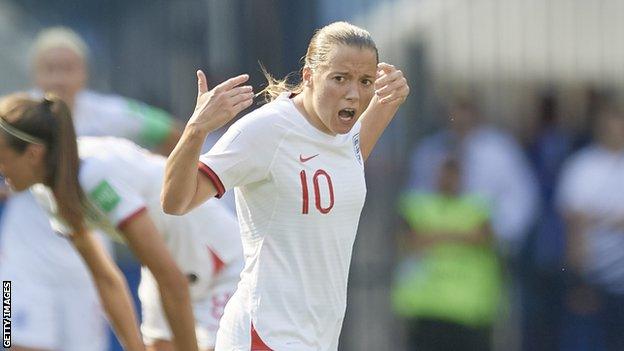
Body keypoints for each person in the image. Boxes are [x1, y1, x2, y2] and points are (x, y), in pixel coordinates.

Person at [161, 21, 409, 350]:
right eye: (340, 78)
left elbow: (347, 157)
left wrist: (390, 98)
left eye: (365, 81)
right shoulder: (267, 130)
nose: (354, 93)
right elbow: (175, 201)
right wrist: (196, 130)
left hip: (318, 338)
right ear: (308, 76)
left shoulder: (345, 135)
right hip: (265, 334)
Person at [0, 93, 244, 351]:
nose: (1, 169)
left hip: (220, 266)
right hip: (167, 273)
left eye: (2, 158)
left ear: (33, 154)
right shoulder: (48, 191)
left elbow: (171, 279)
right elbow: (106, 279)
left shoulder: (96, 174)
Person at [0, 27, 181, 350]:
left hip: (84, 265)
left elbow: (174, 134)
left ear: (83, 73)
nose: (58, 79)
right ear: (34, 73)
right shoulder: (16, 117)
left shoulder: (109, 115)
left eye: (67, 69)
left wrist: (146, 184)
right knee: (15, 342)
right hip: (21, 263)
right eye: (49, 69)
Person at [392, 156, 503, 351]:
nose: (448, 180)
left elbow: (484, 238)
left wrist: (436, 235)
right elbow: (407, 240)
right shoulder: (418, 206)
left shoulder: (477, 207)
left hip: (468, 310)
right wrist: (459, 234)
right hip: (427, 307)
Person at [556, 104, 624, 351]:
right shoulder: (581, 167)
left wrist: (596, 219)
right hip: (595, 278)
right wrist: (579, 279)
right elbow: (574, 227)